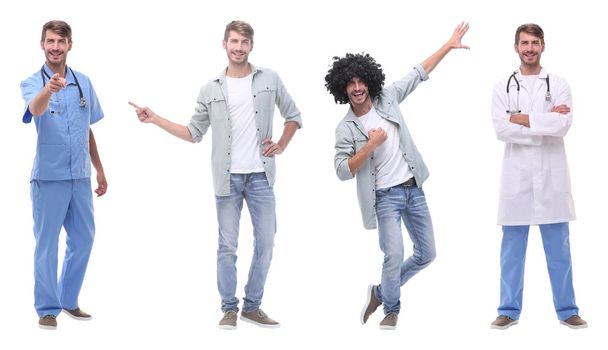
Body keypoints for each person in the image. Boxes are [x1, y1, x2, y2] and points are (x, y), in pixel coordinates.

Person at [129, 20, 302, 330]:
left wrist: (282, 145)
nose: (238, 47)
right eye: (233, 41)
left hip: (261, 176)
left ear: (251, 46)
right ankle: (228, 309)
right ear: (224, 44)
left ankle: (252, 306)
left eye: (244, 42)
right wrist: (154, 119)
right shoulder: (210, 89)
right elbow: (193, 132)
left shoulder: (270, 79)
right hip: (227, 179)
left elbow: (294, 116)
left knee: (266, 243)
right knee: (227, 247)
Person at [327, 22, 469, 330]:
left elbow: (418, 73)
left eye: (360, 80)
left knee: (427, 253)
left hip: (413, 189)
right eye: (349, 83)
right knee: (393, 255)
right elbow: (341, 171)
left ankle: (379, 292)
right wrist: (370, 145)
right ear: (342, 89)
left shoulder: (387, 98)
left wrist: (448, 45)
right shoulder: (345, 128)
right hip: (384, 199)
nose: (356, 87)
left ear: (369, 81)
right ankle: (391, 308)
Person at [489, 23, 587, 330]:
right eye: (524, 43)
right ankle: (508, 310)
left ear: (543, 45)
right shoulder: (502, 86)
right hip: (516, 180)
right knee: (511, 253)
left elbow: (563, 126)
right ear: (516, 47)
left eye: (534, 42)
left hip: (551, 178)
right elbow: (501, 129)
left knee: (559, 250)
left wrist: (521, 119)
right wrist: (543, 122)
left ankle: (567, 309)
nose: (529, 48)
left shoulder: (558, 83)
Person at [20, 20, 107, 330]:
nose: (55, 46)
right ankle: (47, 308)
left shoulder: (83, 82)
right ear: (42, 45)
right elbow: (35, 110)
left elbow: (88, 129)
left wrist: (100, 170)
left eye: (61, 41)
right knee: (47, 245)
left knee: (84, 238)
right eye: (50, 41)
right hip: (49, 179)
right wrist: (48, 88)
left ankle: (68, 299)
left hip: (80, 177)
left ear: (70, 44)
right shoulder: (33, 82)